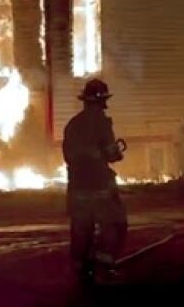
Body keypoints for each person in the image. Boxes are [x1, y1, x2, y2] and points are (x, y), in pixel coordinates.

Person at [62, 78, 127, 282]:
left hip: (77, 188)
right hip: (100, 187)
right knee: (114, 223)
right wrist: (116, 153)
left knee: (81, 229)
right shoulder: (102, 122)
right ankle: (104, 269)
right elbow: (110, 154)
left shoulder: (72, 124)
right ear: (101, 101)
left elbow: (68, 156)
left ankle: (80, 270)